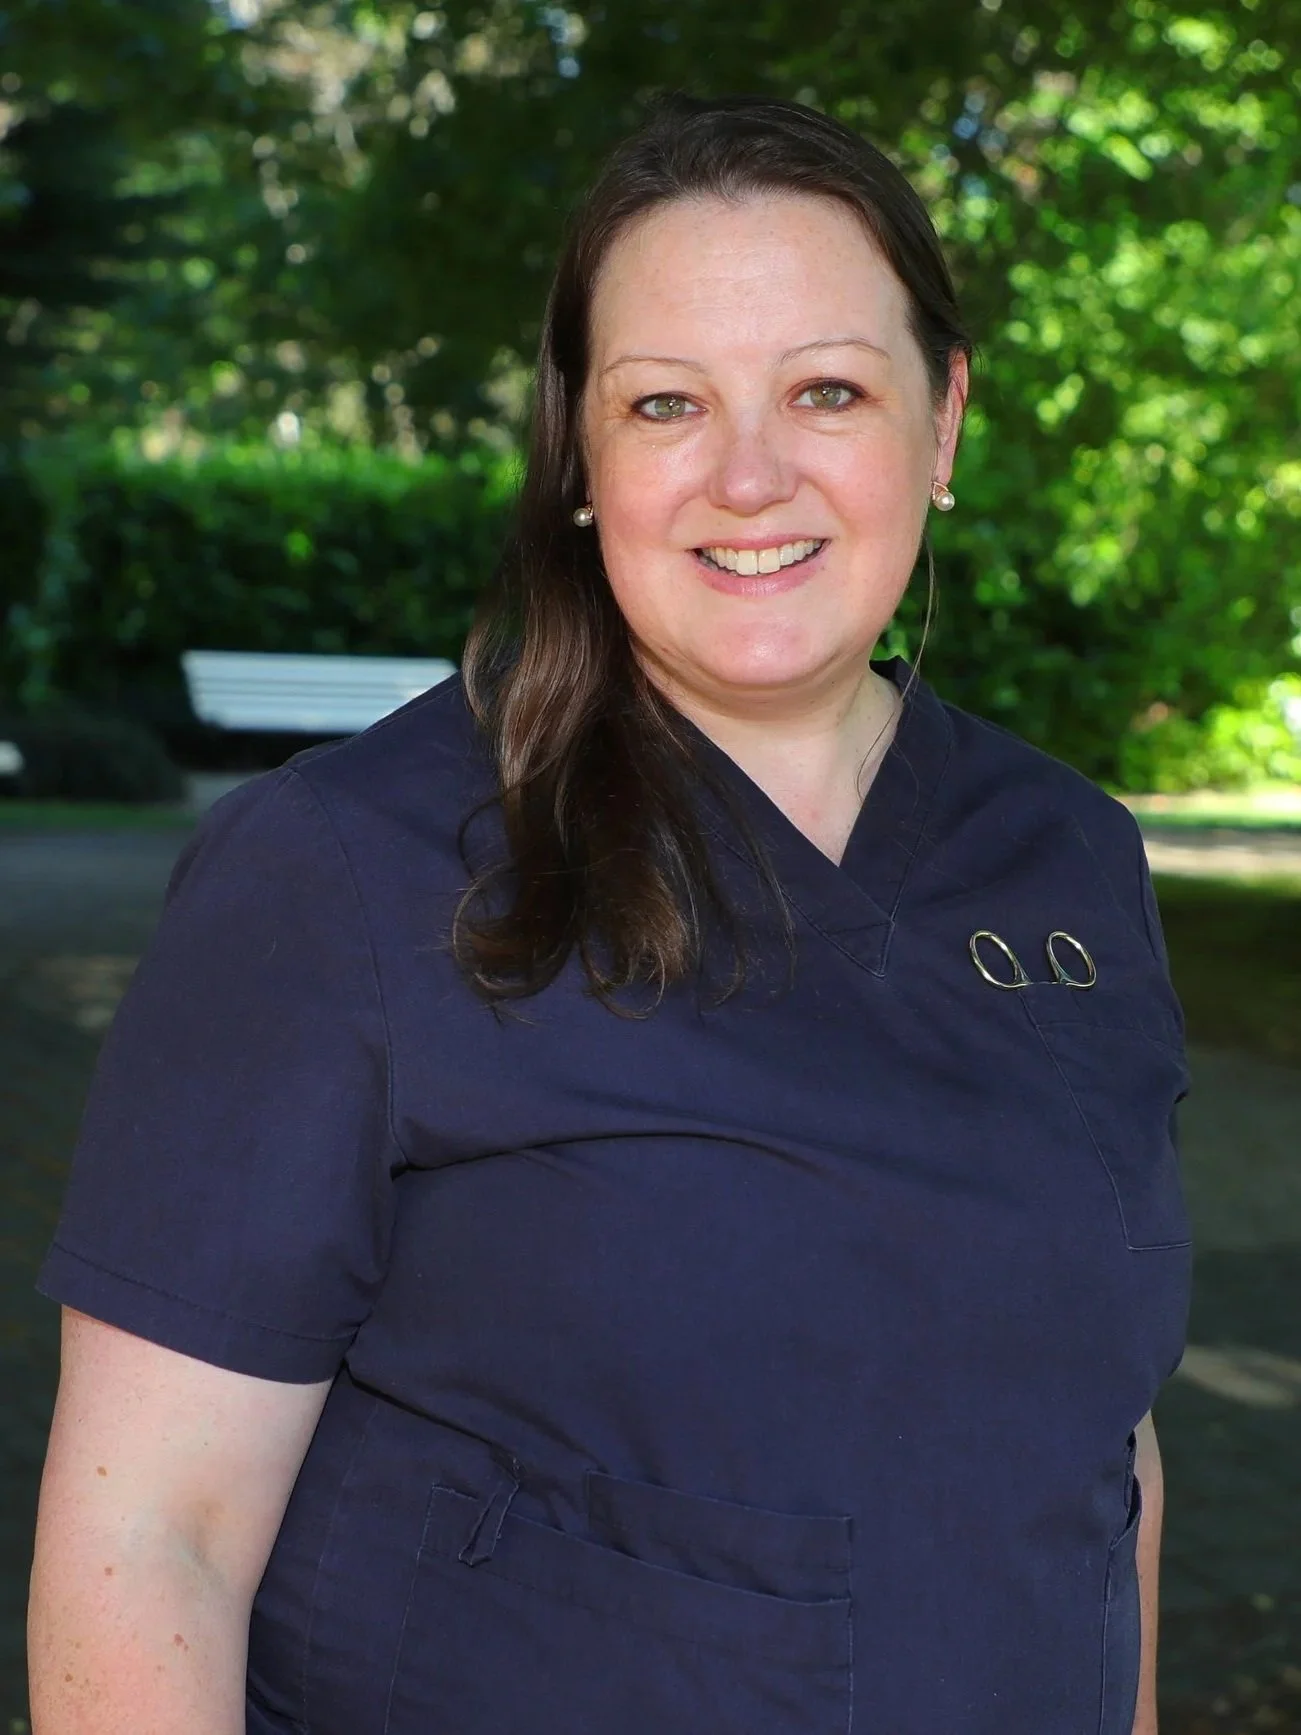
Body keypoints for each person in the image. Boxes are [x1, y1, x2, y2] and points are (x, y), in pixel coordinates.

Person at [28, 95, 1190, 1735]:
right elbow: (152, 1538)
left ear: (943, 423)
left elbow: (1102, 1444)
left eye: (829, 390)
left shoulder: (1069, 856)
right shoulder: (346, 875)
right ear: (582, 452)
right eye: (667, 403)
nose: (747, 473)